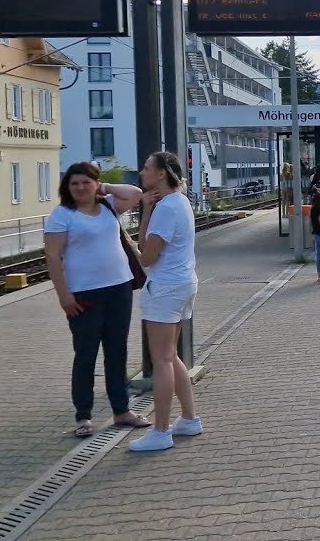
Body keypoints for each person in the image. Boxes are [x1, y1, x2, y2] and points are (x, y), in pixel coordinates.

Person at [44, 162, 152, 438]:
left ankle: (121, 410)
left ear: (95, 184)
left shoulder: (108, 207)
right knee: (86, 354)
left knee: (117, 352)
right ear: (66, 188)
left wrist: (103, 187)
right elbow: (53, 257)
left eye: (86, 182)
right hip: (83, 294)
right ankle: (84, 416)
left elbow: (136, 192)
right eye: (74, 183)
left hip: (119, 288)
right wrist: (63, 295)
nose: (80, 188)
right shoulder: (62, 215)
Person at [129, 151, 202, 452]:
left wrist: (130, 247)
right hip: (183, 283)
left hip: (165, 288)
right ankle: (189, 418)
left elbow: (147, 255)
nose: (142, 173)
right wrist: (146, 210)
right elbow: (150, 244)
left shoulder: (168, 208)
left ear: (161, 173)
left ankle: (160, 431)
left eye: (147, 168)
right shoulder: (178, 202)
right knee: (171, 356)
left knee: (160, 360)